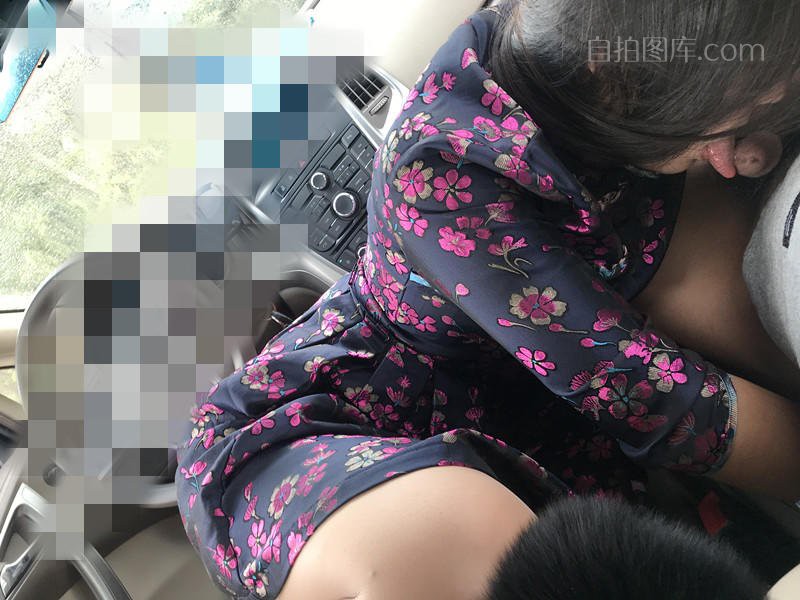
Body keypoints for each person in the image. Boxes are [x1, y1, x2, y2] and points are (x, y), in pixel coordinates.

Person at [177, 1, 800, 597]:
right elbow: (659, 404)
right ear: (617, 82)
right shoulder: (441, 171)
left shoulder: (598, 57)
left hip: (534, 389)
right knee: (448, 552)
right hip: (339, 416)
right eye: (724, 120)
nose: (737, 154)